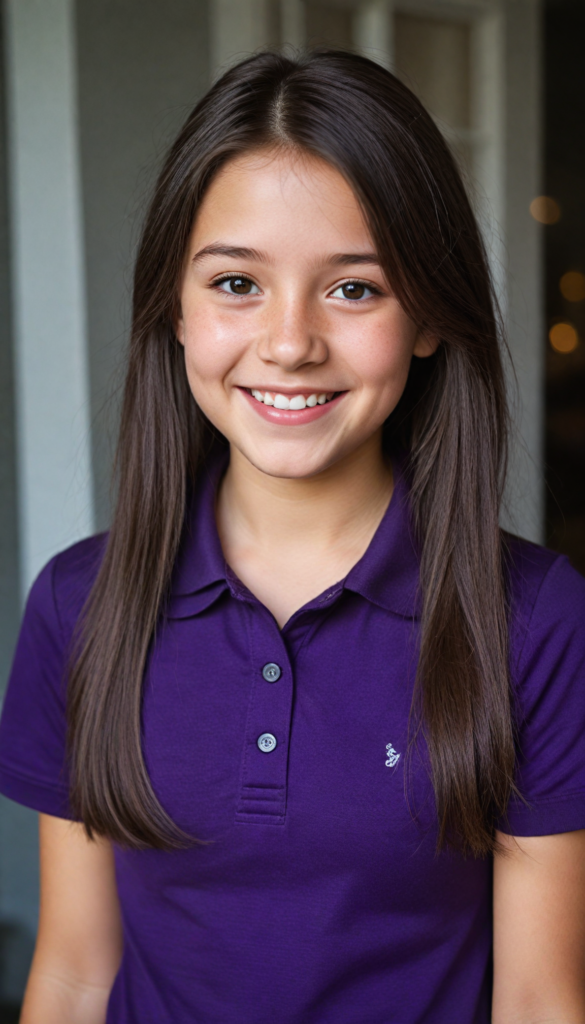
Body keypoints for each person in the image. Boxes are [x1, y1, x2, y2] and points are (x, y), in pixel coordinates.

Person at [0, 49, 584, 1024]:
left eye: (354, 289)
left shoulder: (532, 617)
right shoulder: (81, 604)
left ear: (430, 316)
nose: (288, 341)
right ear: (175, 309)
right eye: (237, 283)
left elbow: (540, 996)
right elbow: (71, 972)